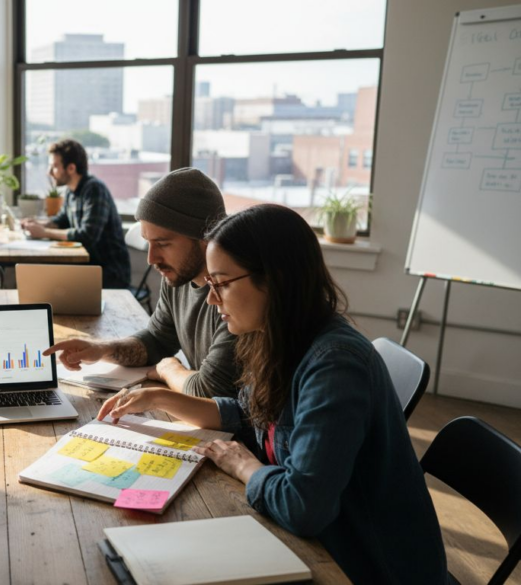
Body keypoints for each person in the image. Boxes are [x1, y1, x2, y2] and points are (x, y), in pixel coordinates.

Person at [99, 204, 447, 583]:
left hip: (366, 564)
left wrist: (244, 467)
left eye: (222, 283)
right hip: (321, 543)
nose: (212, 299)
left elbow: (302, 507)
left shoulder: (335, 365)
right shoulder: (275, 336)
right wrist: (158, 398)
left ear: (275, 280)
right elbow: (246, 412)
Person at [44, 168, 239, 399]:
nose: (151, 258)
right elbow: (156, 341)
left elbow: (209, 390)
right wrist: (101, 349)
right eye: (148, 242)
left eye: (163, 244)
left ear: (205, 238)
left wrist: (169, 370)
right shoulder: (178, 276)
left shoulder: (237, 293)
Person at [20, 139, 131, 289]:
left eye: (54, 166)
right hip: (87, 268)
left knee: (46, 285)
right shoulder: (71, 191)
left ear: (71, 168)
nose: (49, 172)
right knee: (41, 282)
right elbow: (61, 220)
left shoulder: (94, 189)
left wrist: (44, 232)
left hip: (109, 273)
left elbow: (87, 235)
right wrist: (38, 225)